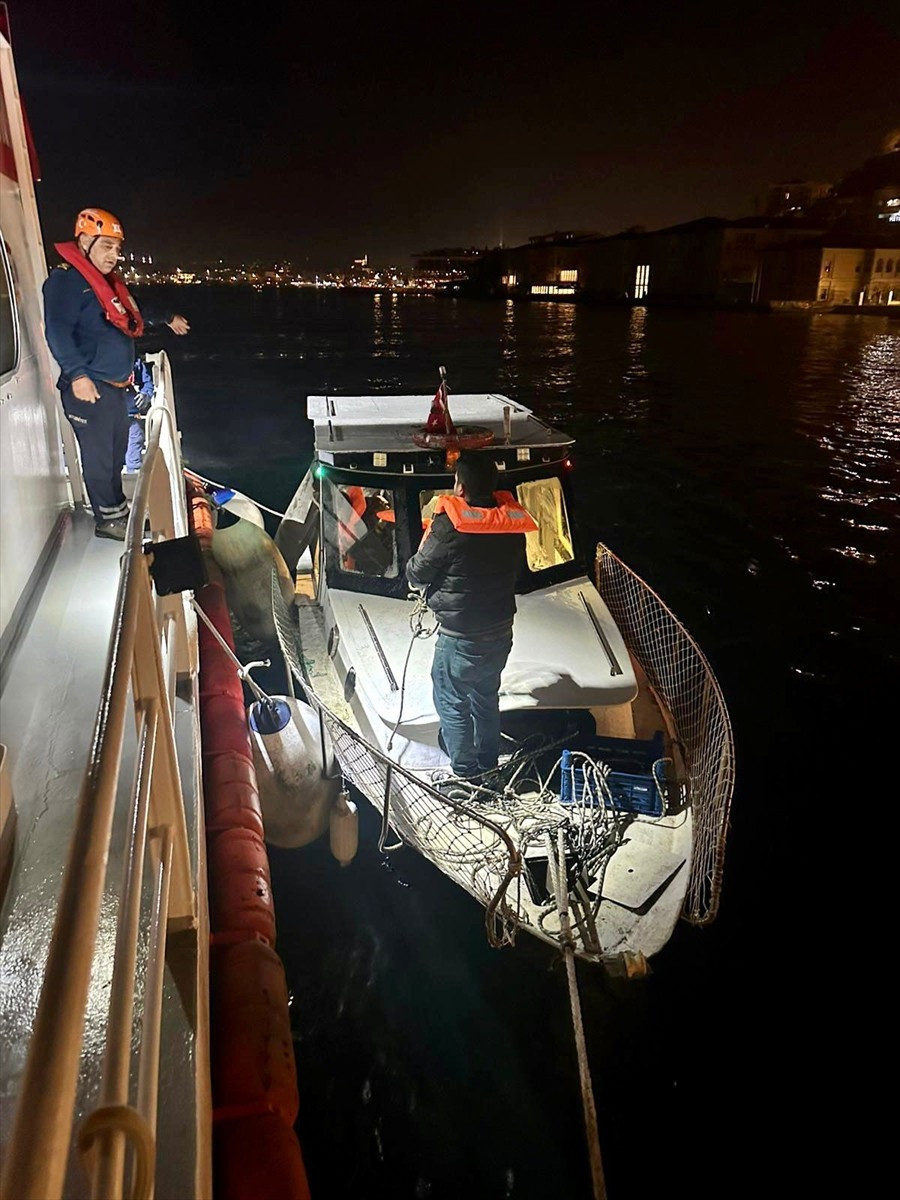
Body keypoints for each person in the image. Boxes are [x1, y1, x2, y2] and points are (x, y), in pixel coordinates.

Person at [42, 207, 189, 540]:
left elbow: (130, 313)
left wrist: (166, 317)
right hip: (89, 387)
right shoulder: (65, 281)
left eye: (118, 248)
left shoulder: (106, 284)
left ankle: (118, 511)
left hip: (114, 388)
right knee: (99, 458)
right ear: (84, 240)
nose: (114, 255)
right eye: (107, 246)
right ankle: (107, 520)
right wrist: (78, 375)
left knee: (115, 452)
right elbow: (58, 331)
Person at [406, 452, 537, 781]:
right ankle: (489, 766)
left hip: (460, 639)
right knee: (485, 698)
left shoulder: (449, 525)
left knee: (452, 703)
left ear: (459, 487)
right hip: (500, 632)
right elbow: (517, 574)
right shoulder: (511, 525)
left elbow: (417, 572)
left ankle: (467, 777)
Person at [124, 356, 155, 472]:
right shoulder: (96, 360)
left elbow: (147, 383)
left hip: (131, 416)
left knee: (135, 443)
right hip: (105, 417)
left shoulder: (134, 362)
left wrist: (145, 395)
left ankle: (134, 479)